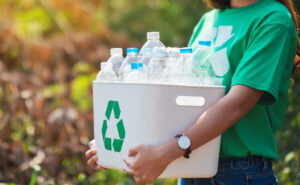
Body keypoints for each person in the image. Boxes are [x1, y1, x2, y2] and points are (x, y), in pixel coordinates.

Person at [86, 0, 300, 184]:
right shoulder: (208, 21)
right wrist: (117, 145)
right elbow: (181, 102)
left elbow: (238, 103)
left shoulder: (273, 19)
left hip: (240, 170)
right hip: (191, 165)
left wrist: (167, 153)